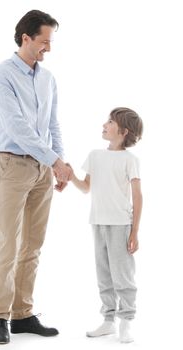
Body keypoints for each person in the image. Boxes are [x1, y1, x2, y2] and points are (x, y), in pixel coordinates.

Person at [0, 10, 72, 344]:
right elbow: (17, 128)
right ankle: (0, 317)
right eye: (44, 41)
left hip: (43, 170)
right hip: (13, 165)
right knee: (9, 242)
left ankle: (22, 313)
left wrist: (59, 162)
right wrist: (55, 160)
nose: (48, 48)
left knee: (33, 245)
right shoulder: (2, 76)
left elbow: (53, 124)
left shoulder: (48, 78)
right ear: (26, 38)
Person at [69, 107, 143, 343]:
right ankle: (108, 321)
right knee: (104, 274)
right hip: (98, 222)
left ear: (123, 131)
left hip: (120, 224)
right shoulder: (95, 156)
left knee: (123, 275)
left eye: (110, 122)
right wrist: (71, 177)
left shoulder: (130, 160)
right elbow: (86, 187)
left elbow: (138, 196)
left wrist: (135, 231)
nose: (104, 124)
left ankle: (126, 322)